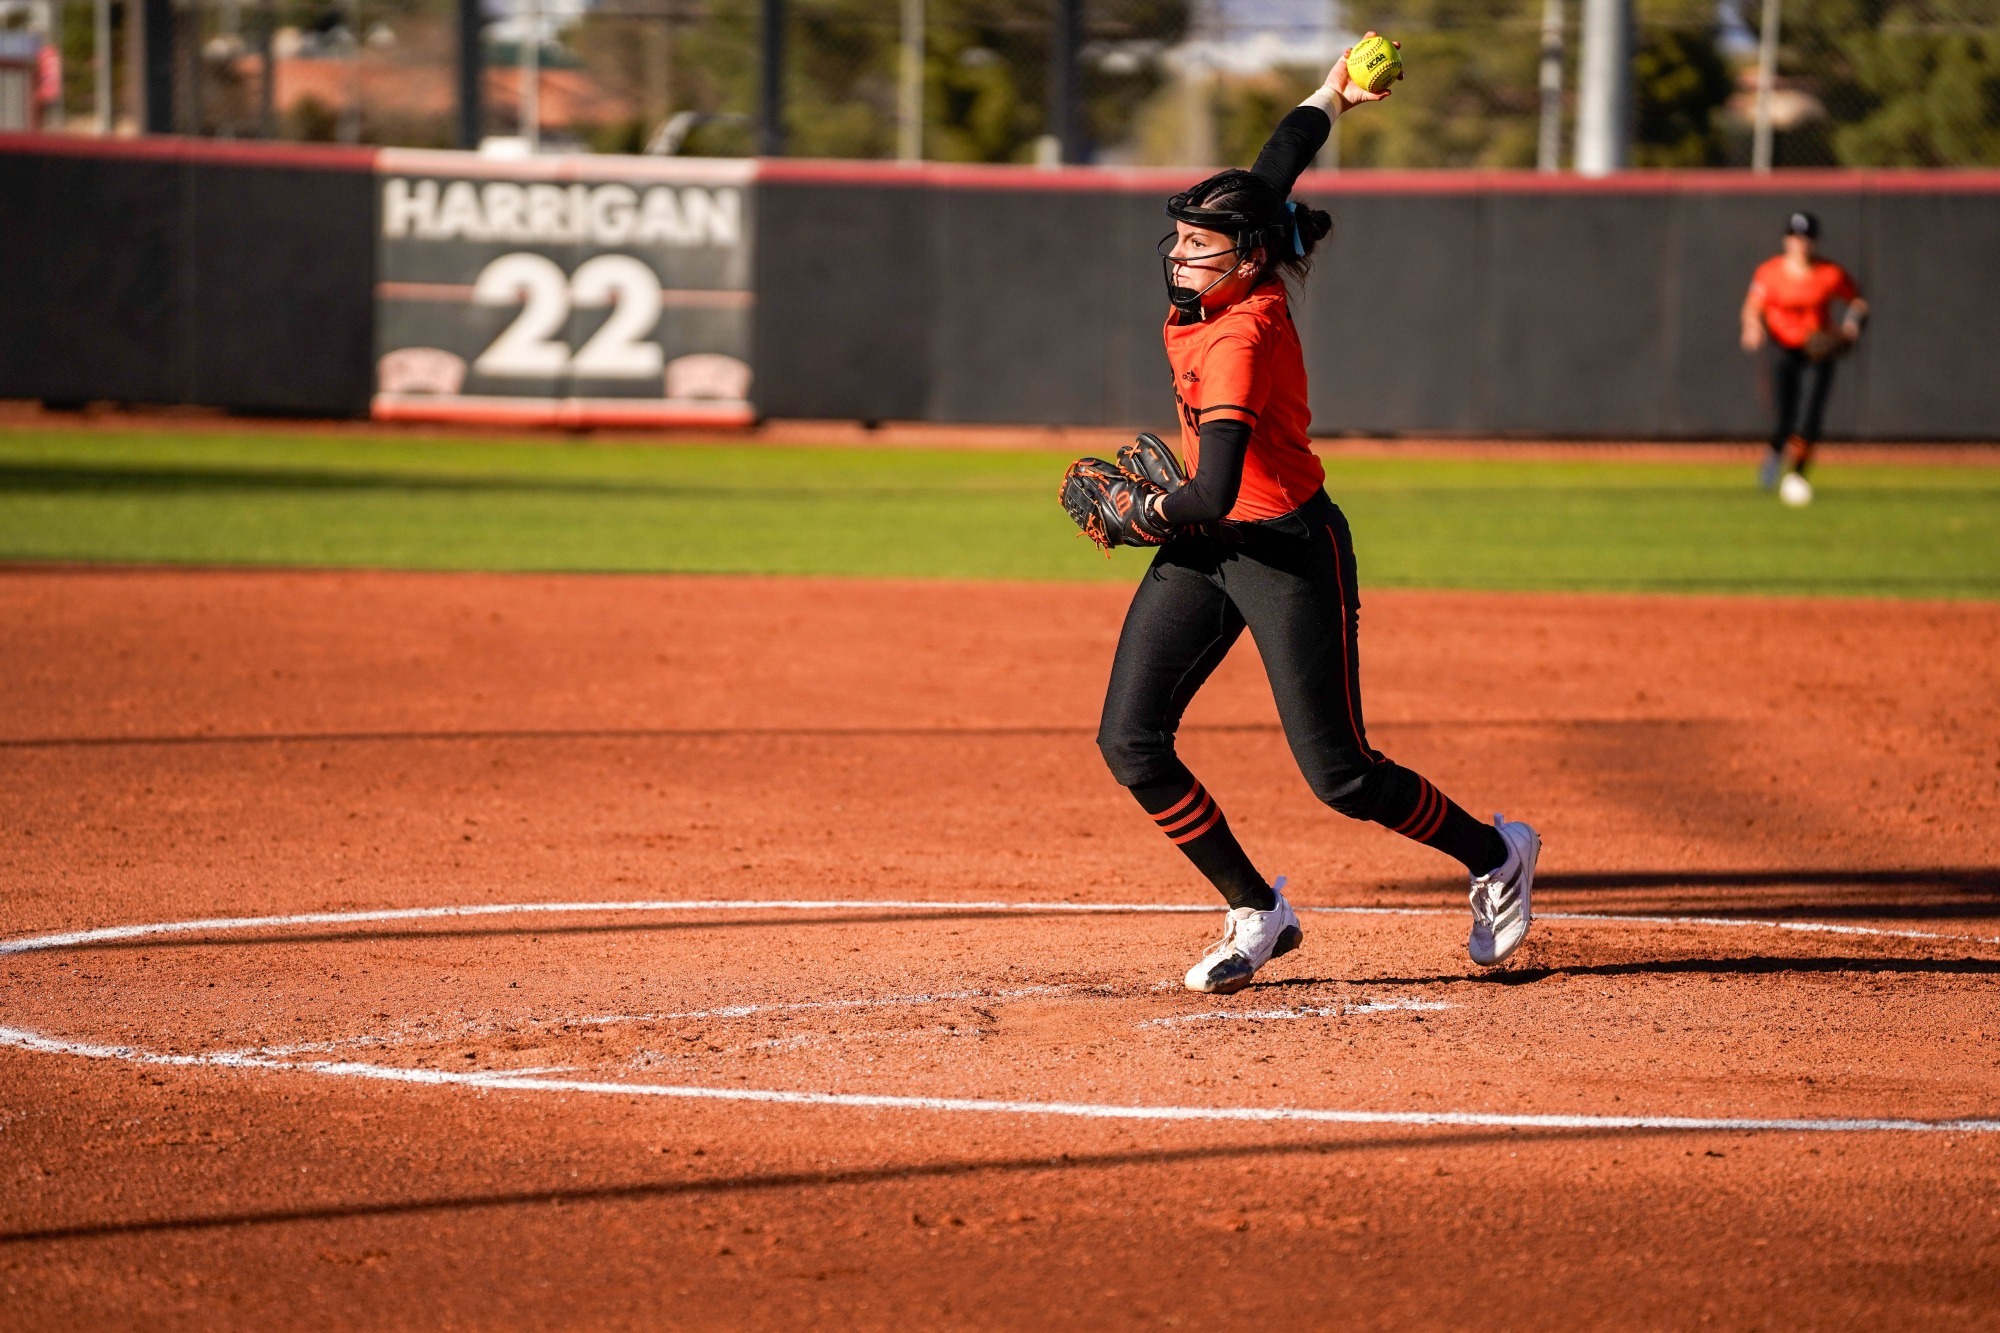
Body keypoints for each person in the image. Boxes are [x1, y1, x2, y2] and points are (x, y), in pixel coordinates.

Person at [1093, 38, 1540, 995]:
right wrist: (1332, 93)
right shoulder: (1239, 253)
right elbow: (1277, 162)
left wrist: (1140, 512)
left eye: (1199, 243)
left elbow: (1211, 493)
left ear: (1249, 256)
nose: (1181, 252)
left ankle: (1497, 854)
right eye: (1179, 237)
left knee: (1342, 775)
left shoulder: (1243, 337)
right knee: (1130, 741)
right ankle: (1257, 909)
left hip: (1286, 549)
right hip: (1210, 545)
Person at [1740, 212, 1869, 507]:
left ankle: (1797, 473)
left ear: (1815, 241)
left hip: (1817, 349)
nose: (1800, 244)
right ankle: (1776, 452)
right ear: (1786, 240)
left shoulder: (1830, 274)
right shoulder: (1769, 272)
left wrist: (1851, 327)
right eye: (1795, 237)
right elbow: (1752, 306)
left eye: (1806, 238)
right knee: (1784, 420)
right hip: (1782, 347)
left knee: (1810, 419)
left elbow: (1858, 302)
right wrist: (1752, 325)